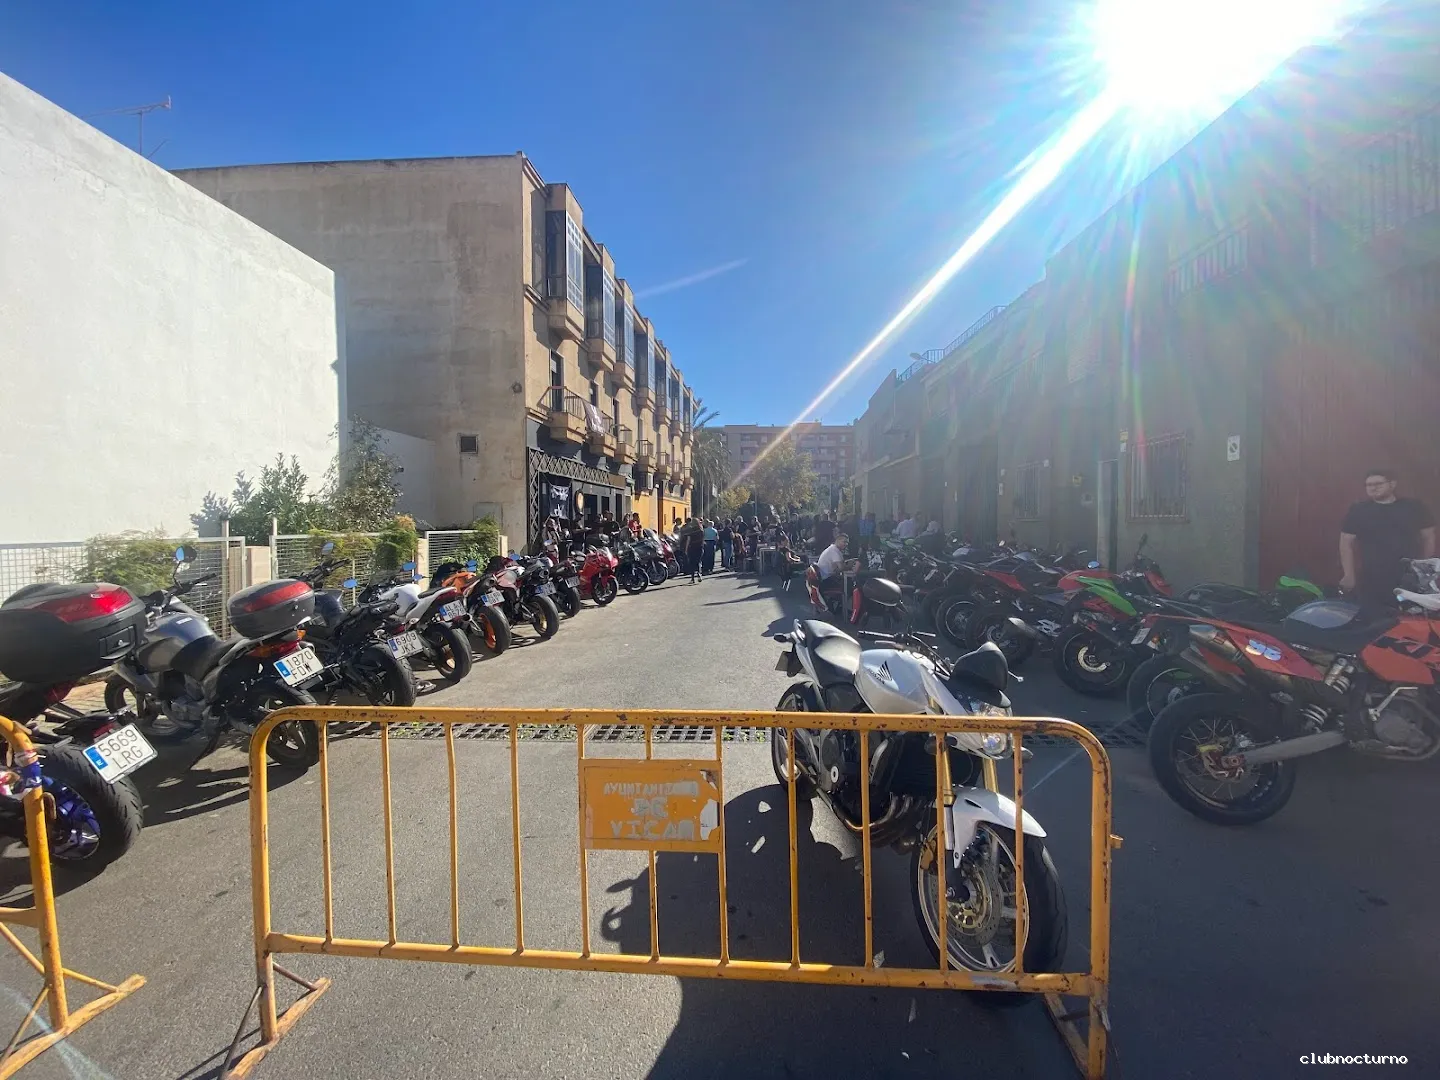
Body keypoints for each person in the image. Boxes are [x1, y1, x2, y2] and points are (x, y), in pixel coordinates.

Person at [1340, 469, 1436, 609]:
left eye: (1378, 483)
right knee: (1375, 615)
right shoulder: (1359, 510)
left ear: (1392, 484)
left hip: (1408, 575)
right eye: (1369, 485)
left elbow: (1428, 536)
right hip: (1372, 576)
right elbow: (1346, 542)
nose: (1373, 488)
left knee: (1410, 614)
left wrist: (1423, 567)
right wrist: (1349, 575)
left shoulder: (1413, 507)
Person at [806, 532, 851, 611]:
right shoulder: (834, 551)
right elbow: (841, 567)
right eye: (844, 542)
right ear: (838, 540)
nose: (846, 544)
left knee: (847, 582)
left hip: (823, 578)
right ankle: (838, 608)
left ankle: (838, 606)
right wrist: (851, 566)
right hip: (825, 581)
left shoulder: (833, 549)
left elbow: (837, 567)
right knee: (849, 586)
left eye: (847, 542)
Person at [680, 517, 704, 583]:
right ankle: (699, 574)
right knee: (698, 561)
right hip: (699, 547)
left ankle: (692, 578)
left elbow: (688, 540)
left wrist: (686, 549)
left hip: (692, 547)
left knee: (692, 562)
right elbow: (703, 539)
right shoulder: (701, 529)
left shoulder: (691, 530)